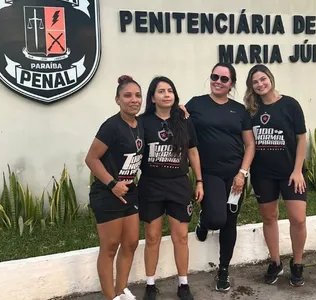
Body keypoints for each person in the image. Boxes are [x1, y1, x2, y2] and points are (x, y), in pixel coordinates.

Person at [185, 62, 255, 292]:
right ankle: (205, 220)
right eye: (215, 76)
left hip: (235, 175)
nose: (218, 81)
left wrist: (242, 174)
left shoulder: (239, 110)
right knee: (217, 219)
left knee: (230, 222)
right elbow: (176, 116)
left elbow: (250, 144)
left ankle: (223, 269)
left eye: (224, 79)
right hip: (209, 173)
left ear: (231, 84)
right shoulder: (196, 104)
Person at [137, 76, 204, 300]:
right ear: (153, 98)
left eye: (170, 91)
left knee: (181, 237)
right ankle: (150, 284)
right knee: (152, 237)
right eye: (161, 91)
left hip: (178, 185)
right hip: (151, 185)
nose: (166, 95)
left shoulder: (184, 120)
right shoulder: (143, 122)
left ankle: (183, 284)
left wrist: (200, 181)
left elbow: (193, 151)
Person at [243, 64, 308, 287]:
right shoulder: (251, 110)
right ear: (251, 86)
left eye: (263, 79)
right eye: (255, 82)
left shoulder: (290, 105)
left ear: (270, 78)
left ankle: (297, 263)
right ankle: (275, 261)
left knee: (298, 219)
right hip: (263, 174)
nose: (260, 84)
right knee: (269, 217)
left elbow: (301, 138)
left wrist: (298, 170)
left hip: (291, 173)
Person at [85, 75, 144, 300]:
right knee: (110, 247)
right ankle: (110, 297)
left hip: (130, 193)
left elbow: (165, 113)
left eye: (137, 95)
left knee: (130, 243)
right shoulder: (111, 126)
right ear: (117, 99)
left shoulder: (141, 125)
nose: (134, 99)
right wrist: (112, 184)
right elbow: (91, 159)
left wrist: (180, 108)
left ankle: (121, 291)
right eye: (127, 95)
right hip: (107, 194)